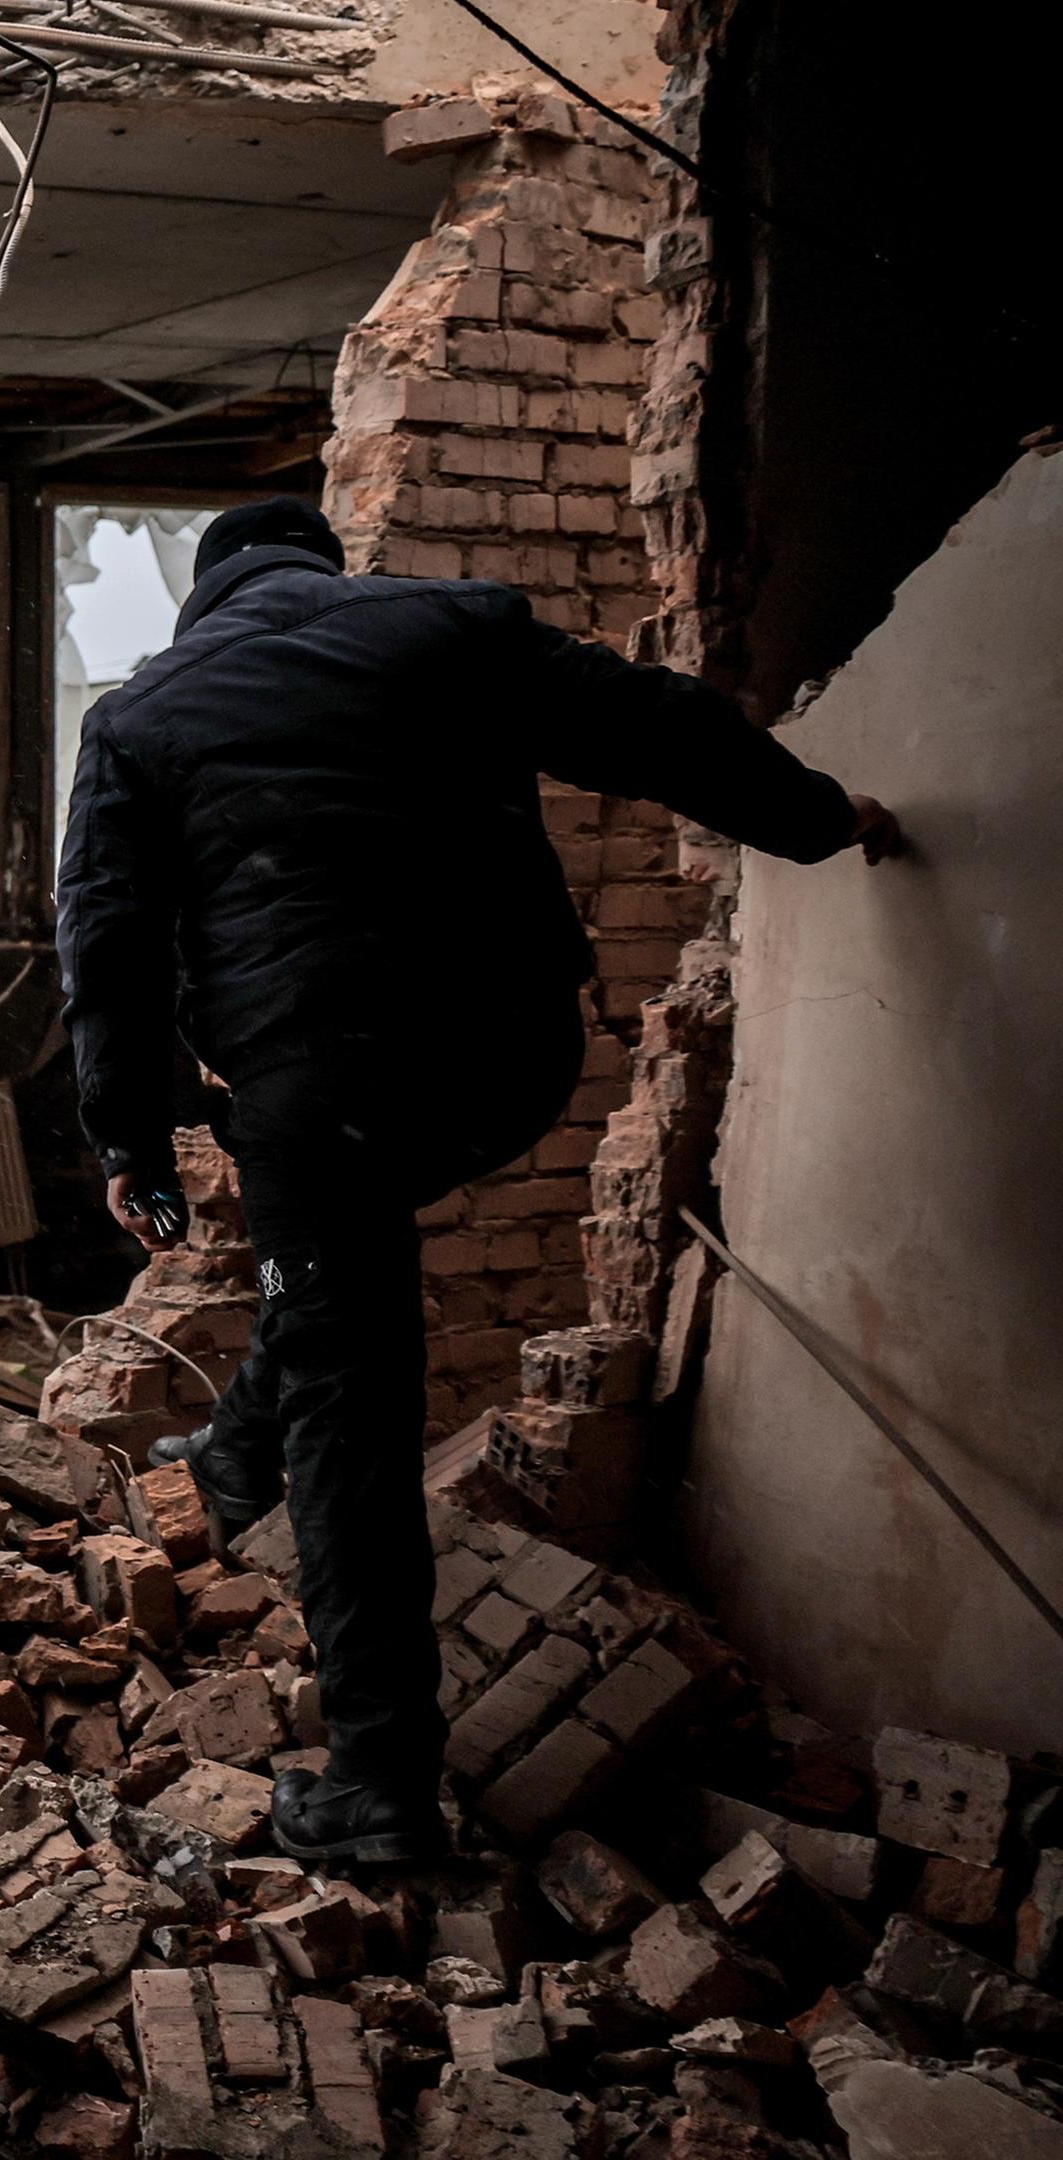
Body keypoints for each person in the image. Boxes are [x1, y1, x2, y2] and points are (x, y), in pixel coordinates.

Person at [53, 498, 900, 1867]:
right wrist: (814, 819)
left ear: (200, 599)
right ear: (326, 568)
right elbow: (654, 725)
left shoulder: (143, 718)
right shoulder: (447, 625)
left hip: (311, 1094)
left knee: (352, 1382)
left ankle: (379, 1788)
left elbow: (107, 947)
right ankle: (228, 1458)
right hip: (504, 1062)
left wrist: (129, 1149)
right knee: (333, 1281)